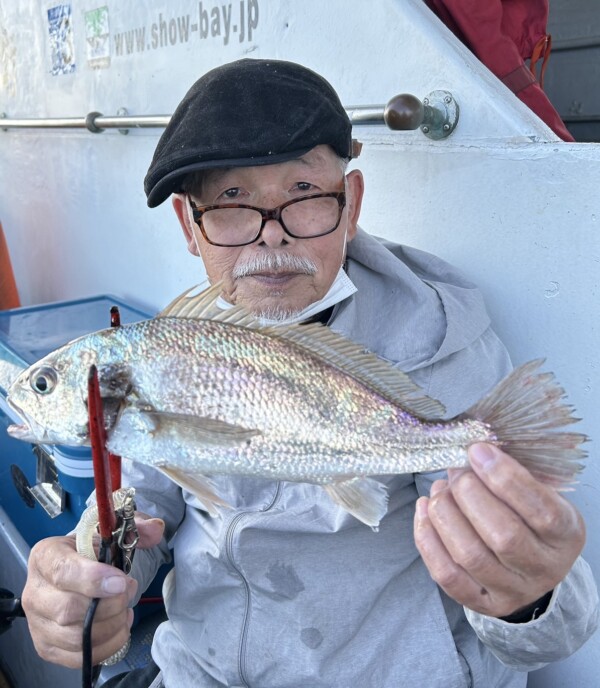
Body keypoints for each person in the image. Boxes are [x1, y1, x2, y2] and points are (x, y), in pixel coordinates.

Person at [21, 58, 598, 688]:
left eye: (304, 195)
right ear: (191, 225)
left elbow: (551, 628)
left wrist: (527, 601)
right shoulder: (174, 347)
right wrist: (89, 575)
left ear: (350, 204)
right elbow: (148, 509)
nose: (271, 241)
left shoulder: (441, 343)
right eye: (233, 202)